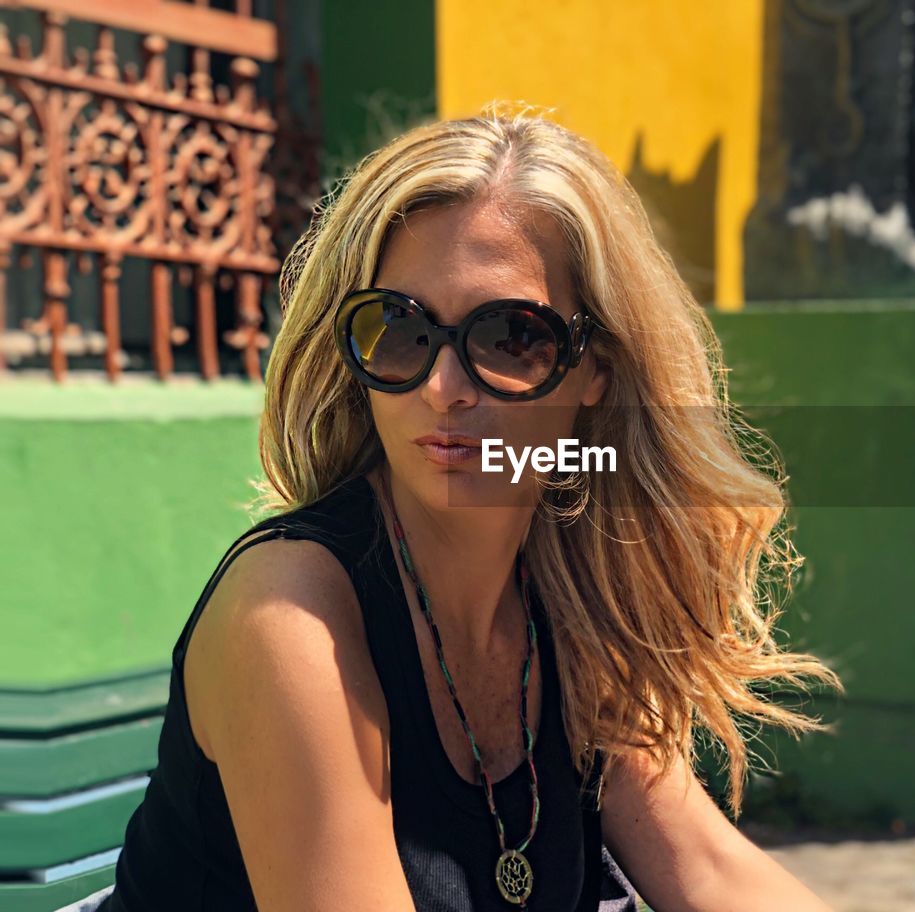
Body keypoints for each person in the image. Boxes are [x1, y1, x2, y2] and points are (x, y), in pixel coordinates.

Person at [82, 103, 845, 911]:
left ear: (599, 372)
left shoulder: (572, 600)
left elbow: (707, 870)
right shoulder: (292, 619)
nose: (443, 389)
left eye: (509, 338)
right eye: (399, 331)